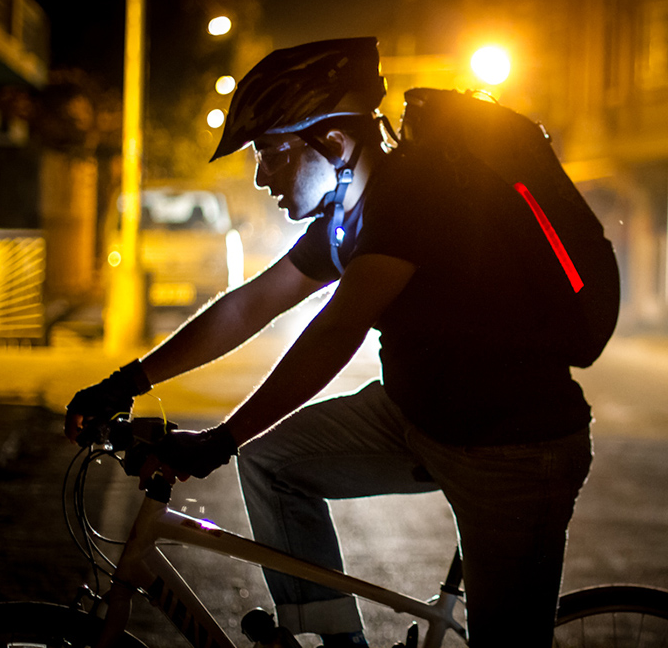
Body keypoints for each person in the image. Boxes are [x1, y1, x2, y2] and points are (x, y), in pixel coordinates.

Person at [65, 37, 594, 648]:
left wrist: (222, 438)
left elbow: (336, 331)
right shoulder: (355, 211)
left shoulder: (412, 196)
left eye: (272, 154)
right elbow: (252, 304)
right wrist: (128, 381)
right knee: (271, 463)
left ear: (334, 143)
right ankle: (334, 641)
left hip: (513, 449)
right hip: (419, 418)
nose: (261, 176)